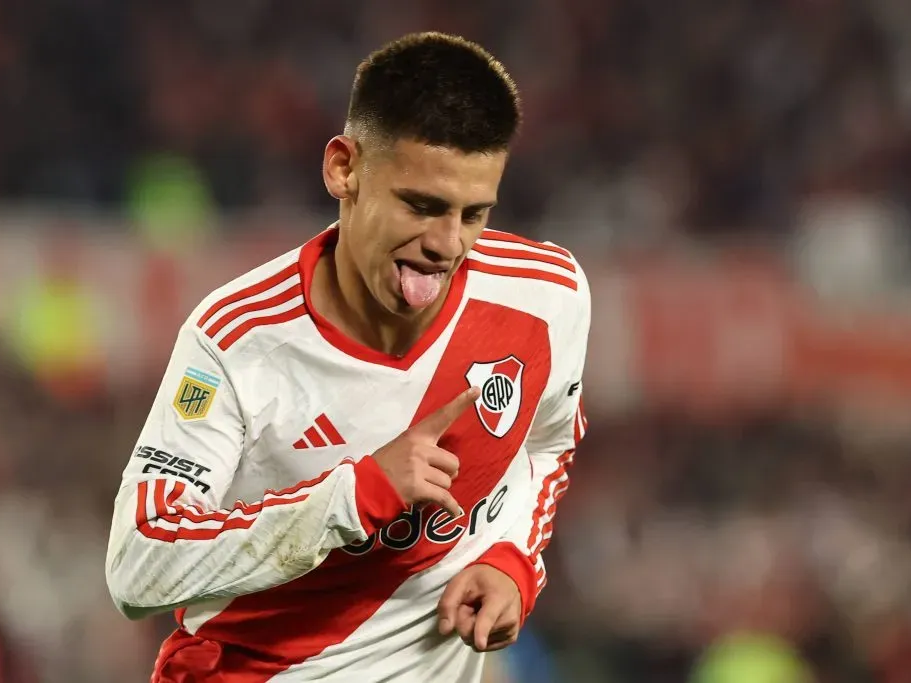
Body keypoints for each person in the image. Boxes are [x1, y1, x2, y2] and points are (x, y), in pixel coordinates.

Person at [105, 31, 591, 683]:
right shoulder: (236, 341)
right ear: (344, 168)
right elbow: (138, 565)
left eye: (473, 213)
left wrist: (512, 559)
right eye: (421, 206)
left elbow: (547, 446)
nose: (446, 243)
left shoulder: (546, 299)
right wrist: (357, 494)